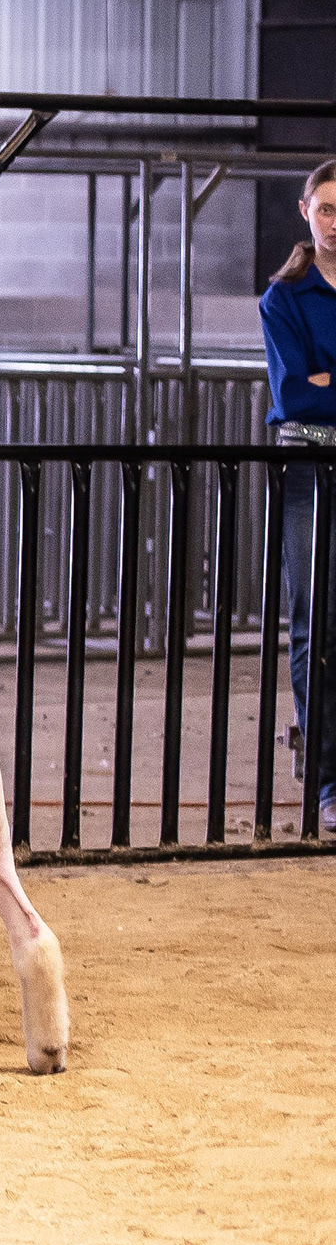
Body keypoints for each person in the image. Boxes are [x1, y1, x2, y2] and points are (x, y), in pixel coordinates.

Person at [264, 158, 336, 822]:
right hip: (309, 464)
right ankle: (327, 781)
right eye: (327, 210)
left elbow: (315, 389)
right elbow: (292, 396)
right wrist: (313, 388)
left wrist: (326, 381)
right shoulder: (283, 297)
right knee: (316, 618)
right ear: (305, 212)